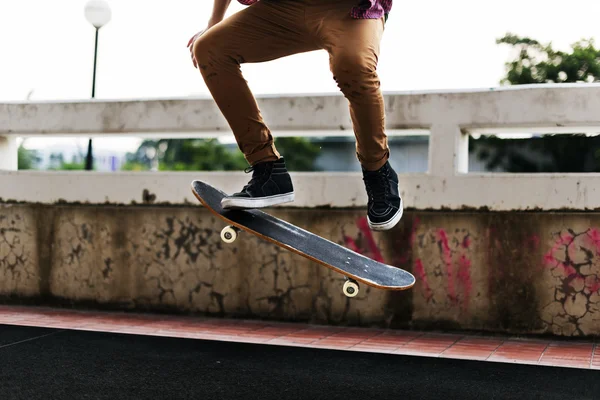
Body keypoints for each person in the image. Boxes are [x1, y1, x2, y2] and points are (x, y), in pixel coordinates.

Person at [187, 0, 402, 231]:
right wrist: (214, 22)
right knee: (210, 48)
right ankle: (267, 170)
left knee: (353, 64)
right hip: (286, 7)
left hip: (349, 10)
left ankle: (377, 170)